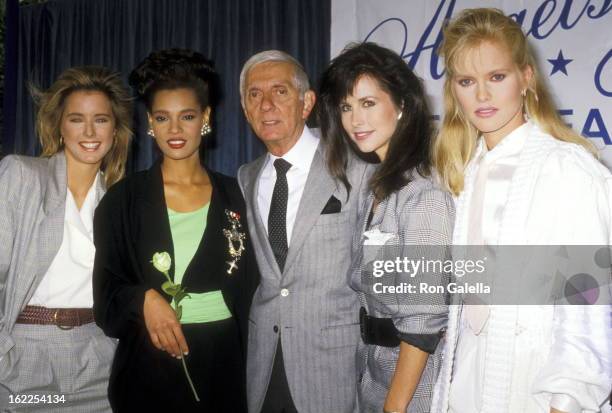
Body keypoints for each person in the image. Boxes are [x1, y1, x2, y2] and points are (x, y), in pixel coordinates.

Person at [431, 8, 612, 413]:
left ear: (526, 78)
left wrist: (564, 402)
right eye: (466, 81)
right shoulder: (464, 174)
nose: (481, 95)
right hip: (465, 380)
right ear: (453, 90)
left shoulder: (569, 168)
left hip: (537, 388)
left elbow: (590, 302)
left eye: (497, 77)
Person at [92, 49, 257, 412]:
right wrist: (143, 299)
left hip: (224, 366)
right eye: (163, 118)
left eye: (187, 116)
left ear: (206, 118)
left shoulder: (238, 195)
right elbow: (105, 296)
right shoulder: (124, 200)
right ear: (150, 122)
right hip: (147, 370)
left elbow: (254, 290)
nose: (176, 130)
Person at [318, 42, 454, 413]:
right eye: (346, 107)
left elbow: (423, 321)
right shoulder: (375, 186)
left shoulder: (423, 194)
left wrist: (393, 407)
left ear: (403, 106)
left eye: (368, 103)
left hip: (412, 390)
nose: (355, 120)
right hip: (373, 373)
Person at [237, 50, 371, 413]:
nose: (266, 105)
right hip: (263, 361)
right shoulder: (245, 177)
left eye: (280, 91)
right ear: (245, 110)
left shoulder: (356, 168)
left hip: (334, 362)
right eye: (254, 95)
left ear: (306, 102)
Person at [0, 66, 132, 411]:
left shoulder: (119, 201)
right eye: (76, 119)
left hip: (97, 358)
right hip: (25, 359)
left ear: (115, 130)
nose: (89, 131)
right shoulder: (23, 176)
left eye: (101, 119)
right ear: (59, 126)